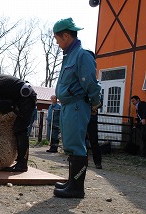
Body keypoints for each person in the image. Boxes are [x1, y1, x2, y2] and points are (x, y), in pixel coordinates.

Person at [52, 18, 101, 198]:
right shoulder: (69, 56)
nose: (57, 43)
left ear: (66, 36)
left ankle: (77, 189)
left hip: (77, 105)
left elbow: (90, 82)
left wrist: (95, 102)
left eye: (57, 39)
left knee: (76, 145)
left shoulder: (82, 55)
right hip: (68, 106)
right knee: (70, 145)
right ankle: (72, 182)